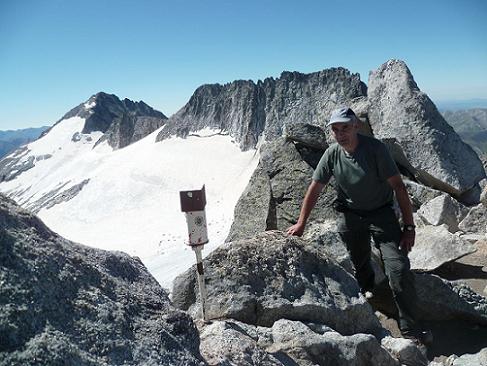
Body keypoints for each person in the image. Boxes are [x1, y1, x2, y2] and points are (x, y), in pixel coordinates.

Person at [287, 106, 430, 344]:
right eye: (335, 129)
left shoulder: (376, 150)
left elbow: (399, 187)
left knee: (398, 269)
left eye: (345, 127)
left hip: (382, 215)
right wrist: (301, 223)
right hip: (351, 215)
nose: (341, 133)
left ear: (356, 126)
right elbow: (314, 188)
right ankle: (367, 290)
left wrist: (409, 227)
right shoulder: (333, 153)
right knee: (358, 258)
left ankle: (410, 330)